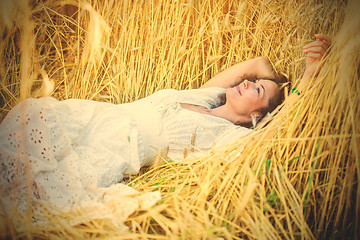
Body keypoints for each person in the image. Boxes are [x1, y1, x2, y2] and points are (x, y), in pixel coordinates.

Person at [0, 34, 331, 215]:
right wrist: (274, 85)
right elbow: (256, 63)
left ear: (258, 116)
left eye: (255, 88)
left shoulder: (227, 138)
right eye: (252, 82)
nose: (247, 82)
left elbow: (278, 134)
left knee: (36, 187)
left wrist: (306, 78)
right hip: (93, 115)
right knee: (28, 122)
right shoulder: (207, 97)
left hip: (112, 149)